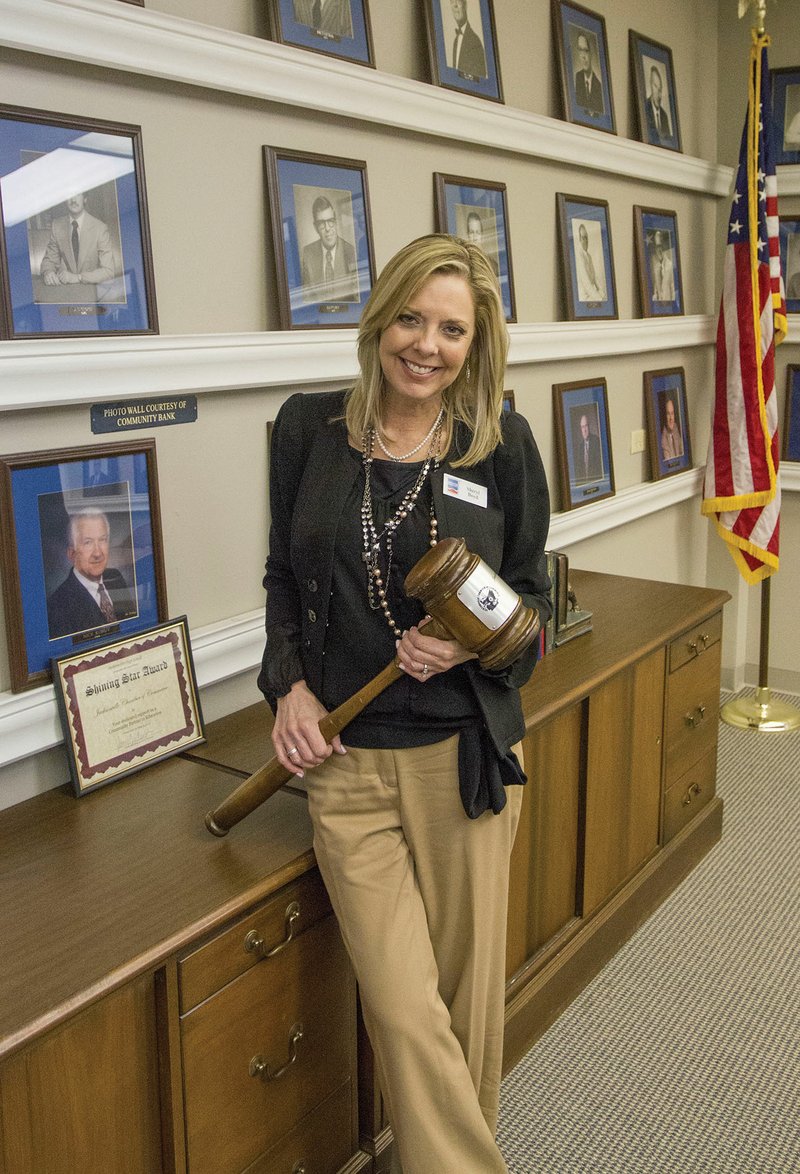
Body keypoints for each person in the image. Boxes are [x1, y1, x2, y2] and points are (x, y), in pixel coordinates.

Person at [258, 233, 551, 1172]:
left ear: (478, 342)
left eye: (452, 329)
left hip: (458, 761)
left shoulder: (498, 444)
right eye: (412, 318)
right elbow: (279, 578)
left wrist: (474, 638)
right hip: (343, 768)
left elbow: (531, 606)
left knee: (463, 1015)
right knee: (402, 1007)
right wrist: (289, 687)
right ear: (379, 317)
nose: (427, 344)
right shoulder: (306, 429)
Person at [46, 509, 136, 640]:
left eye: (102, 540)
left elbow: (131, 627)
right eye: (88, 542)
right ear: (72, 553)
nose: (98, 553)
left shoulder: (115, 577)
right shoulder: (57, 606)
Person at [40, 192, 114, 291]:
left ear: (85, 199)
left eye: (78, 194)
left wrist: (78, 277)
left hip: (92, 292)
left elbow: (108, 271)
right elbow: (49, 260)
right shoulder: (57, 226)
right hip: (65, 291)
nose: (73, 200)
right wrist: (48, 272)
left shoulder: (100, 228)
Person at [300, 195, 359, 304]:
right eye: (321, 223)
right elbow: (306, 299)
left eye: (330, 221)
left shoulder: (350, 251)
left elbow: (356, 298)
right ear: (315, 227)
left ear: (336, 222)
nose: (327, 228)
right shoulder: (308, 253)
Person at [449, 0, 487, 79]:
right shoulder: (456, 41)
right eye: (452, 1)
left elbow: (477, 81)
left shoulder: (475, 42)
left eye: (458, 1)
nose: (455, 5)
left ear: (465, 5)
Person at [573, 32, 603, 116]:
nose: (583, 56)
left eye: (586, 50)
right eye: (580, 50)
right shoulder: (577, 78)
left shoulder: (599, 86)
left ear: (591, 53)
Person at [575, 222, 605, 303]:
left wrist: (602, 292)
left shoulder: (589, 256)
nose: (586, 241)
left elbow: (594, 278)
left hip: (592, 295)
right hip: (584, 298)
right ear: (580, 239)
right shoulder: (579, 256)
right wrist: (599, 298)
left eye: (587, 237)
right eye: (583, 238)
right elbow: (586, 283)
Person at [645, 65, 672, 144]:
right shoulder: (645, 109)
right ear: (651, 85)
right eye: (655, 86)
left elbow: (668, 144)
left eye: (660, 88)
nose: (658, 92)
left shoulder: (664, 116)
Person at [573, 412, 602, 482]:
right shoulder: (580, 447)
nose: (585, 430)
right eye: (582, 427)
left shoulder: (596, 441)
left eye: (586, 426)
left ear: (589, 426)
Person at [651, 230, 675, 302]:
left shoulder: (670, 265)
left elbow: (672, 287)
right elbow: (656, 288)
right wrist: (655, 297)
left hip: (668, 302)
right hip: (659, 304)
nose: (659, 250)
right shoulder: (656, 267)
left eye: (661, 247)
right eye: (657, 247)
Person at [660, 396, 684, 461]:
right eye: (668, 414)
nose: (671, 418)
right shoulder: (663, 440)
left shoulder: (676, 429)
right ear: (664, 416)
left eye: (672, 413)